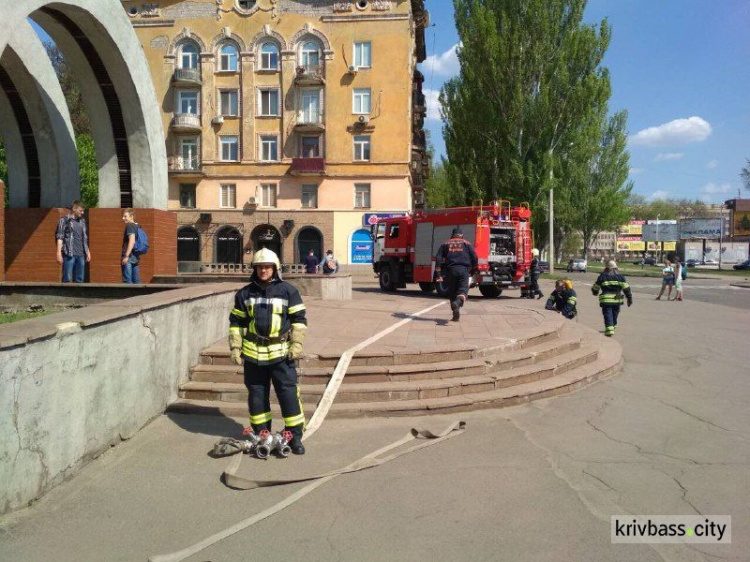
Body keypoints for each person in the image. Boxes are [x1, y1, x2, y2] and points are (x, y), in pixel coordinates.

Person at [228, 248, 308, 455]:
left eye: (267, 267)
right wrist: (235, 347)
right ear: (254, 269)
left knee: (288, 394)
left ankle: (294, 437)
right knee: (257, 396)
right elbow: (236, 322)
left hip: (281, 353)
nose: (263, 270)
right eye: (259, 267)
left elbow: (299, 321)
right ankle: (262, 436)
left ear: (275, 268)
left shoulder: (289, 291)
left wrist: (297, 345)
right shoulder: (244, 294)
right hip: (253, 354)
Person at [435, 227, 478, 322]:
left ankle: (455, 314)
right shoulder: (467, 244)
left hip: (450, 270)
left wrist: (438, 273)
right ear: (462, 235)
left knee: (452, 293)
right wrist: (474, 270)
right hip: (464, 270)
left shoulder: (445, 244)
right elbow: (474, 257)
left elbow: (438, 258)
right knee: (463, 292)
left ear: (452, 235)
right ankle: (457, 304)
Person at [592, 260, 632, 337]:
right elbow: (626, 289)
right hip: (617, 299)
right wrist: (629, 299)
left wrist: (595, 292)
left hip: (606, 300)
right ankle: (613, 326)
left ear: (606, 268)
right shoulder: (621, 278)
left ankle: (610, 329)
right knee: (615, 313)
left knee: (608, 314)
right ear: (616, 268)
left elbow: (596, 287)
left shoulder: (602, 277)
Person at [55, 200, 90, 283]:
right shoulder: (64, 220)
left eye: (83, 210)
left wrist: (88, 252)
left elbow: (84, 238)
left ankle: (79, 295)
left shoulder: (82, 221)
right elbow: (60, 238)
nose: (82, 213)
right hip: (69, 254)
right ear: (74, 209)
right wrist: (58, 253)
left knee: (80, 279)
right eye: (81, 210)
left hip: (81, 255)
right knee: (66, 279)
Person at [121, 209, 141, 284]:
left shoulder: (129, 225)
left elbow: (132, 241)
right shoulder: (137, 226)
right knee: (136, 280)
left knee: (127, 281)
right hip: (135, 256)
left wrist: (126, 256)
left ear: (131, 217)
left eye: (125, 216)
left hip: (129, 257)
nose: (123, 218)